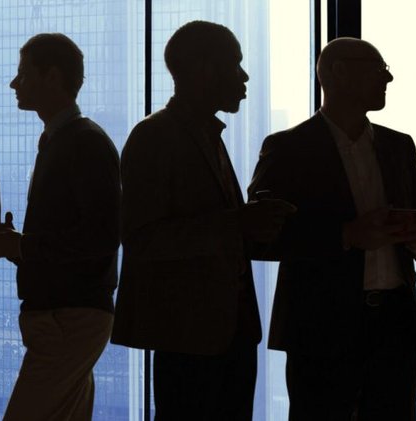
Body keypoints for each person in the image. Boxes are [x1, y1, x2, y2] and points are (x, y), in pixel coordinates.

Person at [246, 37, 416, 420]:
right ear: (338, 72)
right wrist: (346, 234)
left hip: (395, 330)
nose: (389, 77)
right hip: (320, 330)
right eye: (378, 68)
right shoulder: (287, 147)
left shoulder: (401, 146)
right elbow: (258, 234)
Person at [111, 21, 293, 420]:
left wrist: (254, 225)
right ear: (204, 69)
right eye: (236, 64)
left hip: (225, 336)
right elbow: (141, 241)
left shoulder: (206, 135)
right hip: (189, 339)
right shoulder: (153, 137)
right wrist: (239, 224)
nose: (245, 76)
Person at [0, 33, 121, 421]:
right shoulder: (64, 140)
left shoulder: (84, 142)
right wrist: (17, 246)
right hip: (69, 313)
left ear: (53, 77)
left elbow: (102, 235)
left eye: (23, 75)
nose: (13, 83)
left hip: (70, 316)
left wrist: (22, 246)